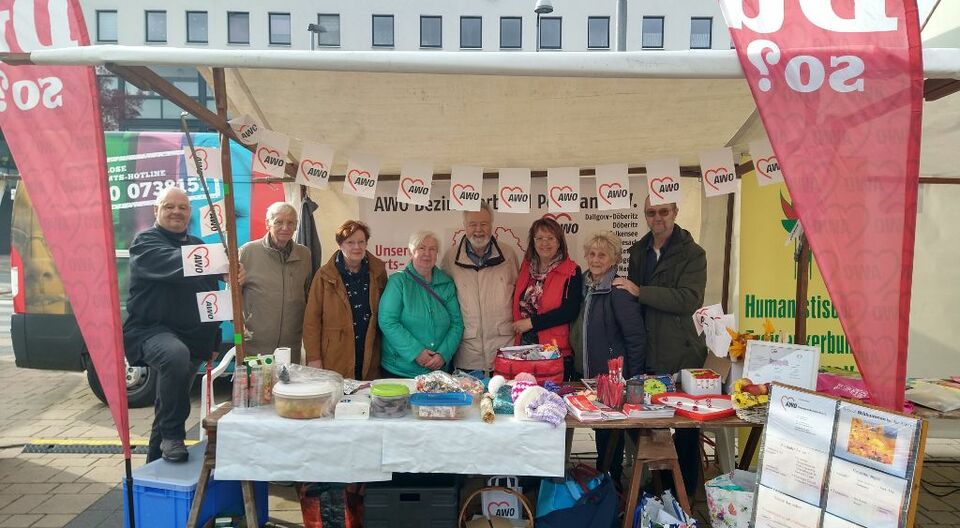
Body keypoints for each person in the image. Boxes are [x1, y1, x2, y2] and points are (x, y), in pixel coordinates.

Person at [123, 187, 229, 463]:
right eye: (169, 206)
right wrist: (216, 262)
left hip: (192, 338)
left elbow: (211, 299)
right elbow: (170, 263)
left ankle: (156, 470)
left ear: (189, 213)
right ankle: (173, 434)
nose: (176, 212)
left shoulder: (198, 245)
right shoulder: (145, 242)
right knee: (174, 355)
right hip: (151, 332)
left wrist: (213, 342)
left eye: (182, 207)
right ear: (156, 210)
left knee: (172, 400)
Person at [614, 197, 707, 499]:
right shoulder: (638, 251)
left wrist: (641, 291)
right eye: (651, 212)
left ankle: (685, 493)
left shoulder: (693, 254)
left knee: (686, 428)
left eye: (663, 211)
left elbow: (688, 299)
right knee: (646, 421)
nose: (658, 218)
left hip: (681, 352)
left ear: (675, 212)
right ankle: (657, 485)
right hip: (648, 351)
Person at [570, 231, 646, 484]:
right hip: (587, 375)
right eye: (592, 254)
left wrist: (633, 379)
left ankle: (611, 487)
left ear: (614, 259)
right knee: (597, 430)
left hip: (613, 379)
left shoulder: (618, 291)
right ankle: (600, 482)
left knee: (609, 436)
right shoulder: (581, 287)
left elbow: (635, 338)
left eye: (602, 254)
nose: (596, 259)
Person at [302, 220, 387, 380]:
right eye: (350, 242)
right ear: (340, 244)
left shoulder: (378, 271)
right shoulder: (323, 276)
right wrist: (314, 358)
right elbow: (311, 321)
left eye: (361, 242)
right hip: (335, 354)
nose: (357, 247)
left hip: (369, 351)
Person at [441, 201, 519, 372]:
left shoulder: (509, 254)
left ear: (491, 225)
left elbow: (519, 297)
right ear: (464, 226)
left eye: (483, 224)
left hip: (504, 351)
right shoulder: (450, 258)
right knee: (472, 400)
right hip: (467, 355)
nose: (478, 229)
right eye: (472, 224)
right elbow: (444, 304)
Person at [379, 231, 463, 378]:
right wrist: (416, 352)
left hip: (439, 371)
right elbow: (387, 321)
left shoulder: (446, 283)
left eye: (432, 249)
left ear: (437, 254)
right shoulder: (398, 282)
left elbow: (457, 323)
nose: (427, 253)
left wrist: (443, 355)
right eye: (421, 248)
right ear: (411, 252)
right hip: (401, 371)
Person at [238, 202, 313, 362]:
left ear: (296, 226)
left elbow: (308, 294)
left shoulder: (305, 255)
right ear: (268, 223)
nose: (285, 227)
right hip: (256, 344)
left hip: (291, 345)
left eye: (291, 222)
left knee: (287, 386)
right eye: (279, 221)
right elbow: (232, 294)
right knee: (257, 387)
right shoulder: (247, 252)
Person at [512, 217, 583, 380]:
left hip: (553, 350)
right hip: (524, 346)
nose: (545, 243)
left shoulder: (572, 271)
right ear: (533, 242)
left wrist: (531, 323)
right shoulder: (526, 267)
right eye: (540, 238)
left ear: (559, 242)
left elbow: (570, 311)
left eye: (551, 238)